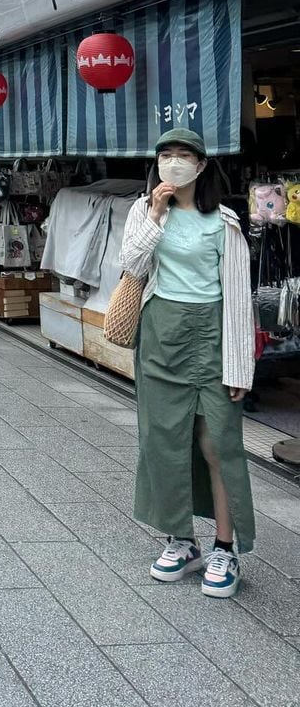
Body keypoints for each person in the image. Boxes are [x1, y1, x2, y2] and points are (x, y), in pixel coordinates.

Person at [122, 128, 255, 599]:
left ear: (201, 166)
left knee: (218, 442)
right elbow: (131, 264)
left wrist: (240, 366)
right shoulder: (143, 210)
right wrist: (156, 214)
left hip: (213, 336)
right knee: (164, 440)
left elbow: (238, 297)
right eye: (166, 154)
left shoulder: (224, 221)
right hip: (161, 336)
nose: (174, 162)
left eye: (184, 155)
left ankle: (225, 547)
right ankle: (181, 541)